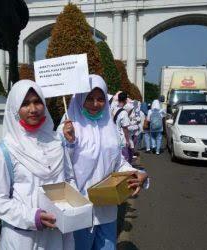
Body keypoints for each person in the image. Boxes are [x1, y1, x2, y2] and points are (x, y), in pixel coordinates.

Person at [62, 74, 149, 250]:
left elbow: (118, 163)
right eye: (90, 98)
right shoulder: (68, 128)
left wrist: (138, 174)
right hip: (79, 212)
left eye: (101, 99)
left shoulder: (108, 127)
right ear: (80, 98)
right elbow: (59, 168)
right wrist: (68, 143)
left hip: (107, 211)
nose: (96, 104)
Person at [0, 80, 75, 249]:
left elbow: (69, 179)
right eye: (25, 104)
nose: (33, 109)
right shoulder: (5, 151)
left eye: (37, 102)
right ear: (15, 108)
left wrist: (74, 204)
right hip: (22, 238)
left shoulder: (57, 143)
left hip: (56, 235)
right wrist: (33, 217)